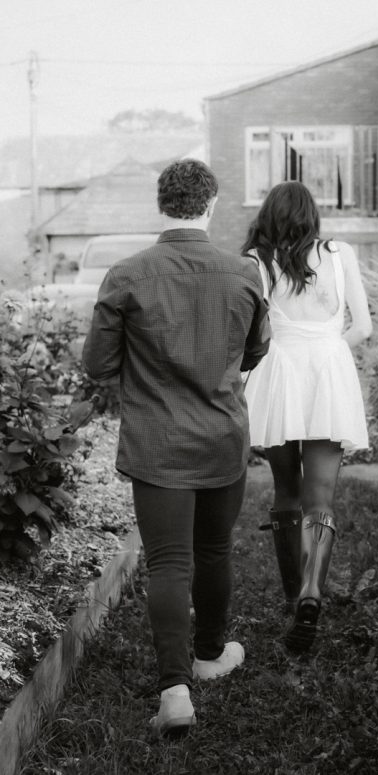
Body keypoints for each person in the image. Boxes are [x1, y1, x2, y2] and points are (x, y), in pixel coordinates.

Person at [82, 159, 270, 735]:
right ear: (210, 205)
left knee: (167, 561)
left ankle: (174, 691)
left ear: (161, 204)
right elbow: (256, 350)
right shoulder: (243, 272)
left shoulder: (127, 274)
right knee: (212, 551)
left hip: (157, 440)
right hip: (219, 437)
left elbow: (98, 364)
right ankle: (210, 655)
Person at [241, 181, 372, 653]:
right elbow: (366, 326)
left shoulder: (257, 261)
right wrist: (330, 350)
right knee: (320, 496)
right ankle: (312, 594)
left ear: (268, 216)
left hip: (278, 376)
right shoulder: (340, 253)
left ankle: (294, 593)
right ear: (312, 216)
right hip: (328, 376)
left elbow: (254, 331)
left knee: (286, 490)